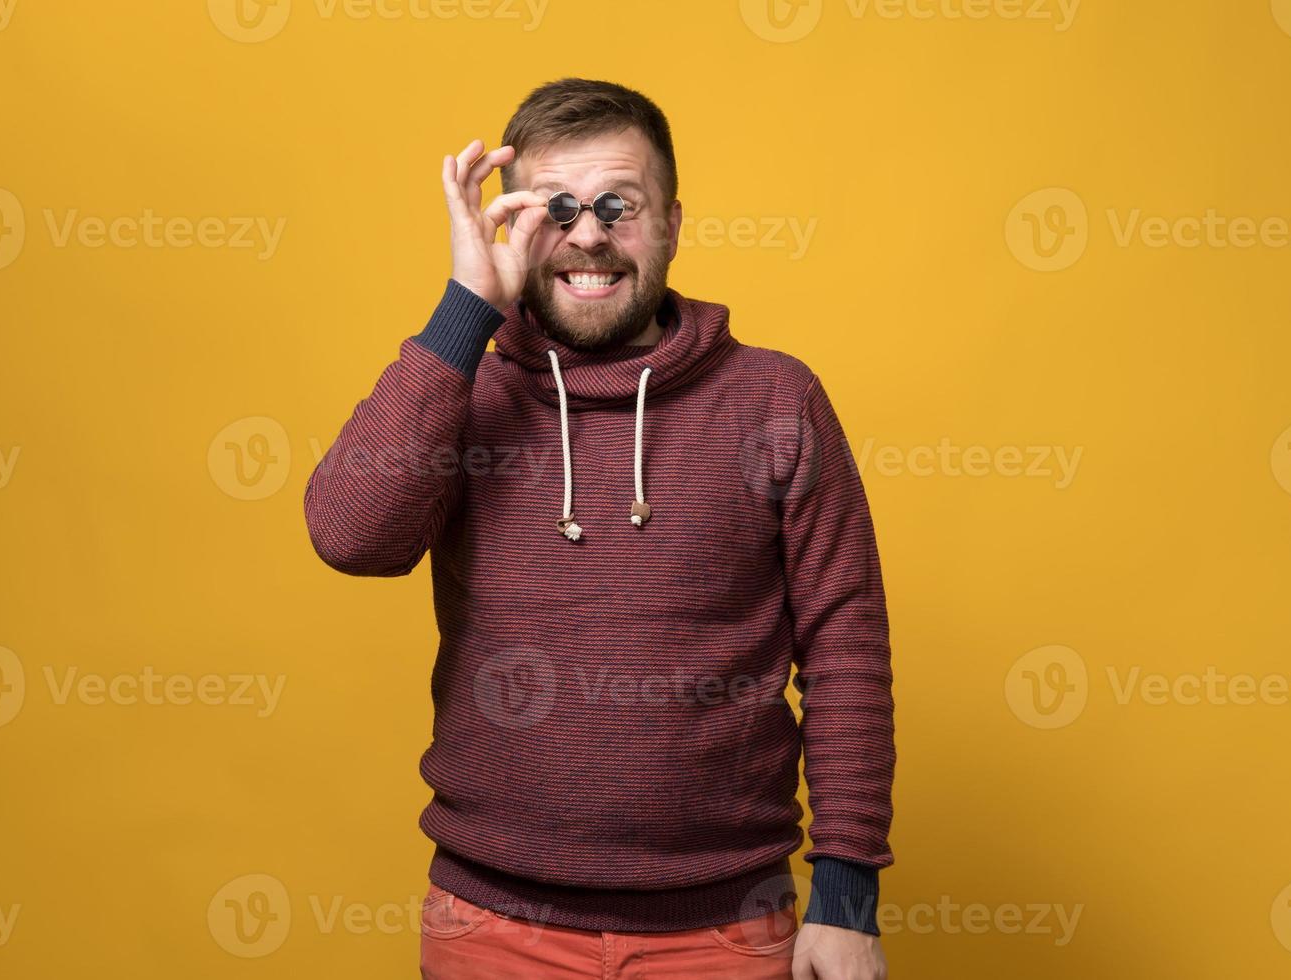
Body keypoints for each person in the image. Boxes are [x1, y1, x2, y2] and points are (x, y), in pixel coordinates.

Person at [304, 77, 895, 980]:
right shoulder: (464, 393)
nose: (588, 235)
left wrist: (847, 901)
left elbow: (845, 645)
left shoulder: (776, 400)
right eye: (558, 208)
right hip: (493, 925)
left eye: (620, 206)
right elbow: (350, 537)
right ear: (514, 223)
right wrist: (468, 304)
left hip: (726, 931)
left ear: (671, 223)